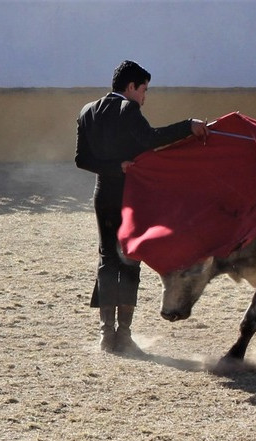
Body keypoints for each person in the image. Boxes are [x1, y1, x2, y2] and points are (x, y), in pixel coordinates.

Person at [75, 60, 208, 355]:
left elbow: (81, 160)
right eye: (144, 90)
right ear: (131, 87)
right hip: (130, 196)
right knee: (130, 259)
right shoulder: (128, 109)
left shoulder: (88, 111)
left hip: (102, 194)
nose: (145, 97)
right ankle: (123, 335)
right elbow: (152, 140)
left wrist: (112, 167)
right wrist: (188, 126)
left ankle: (105, 335)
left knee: (107, 258)